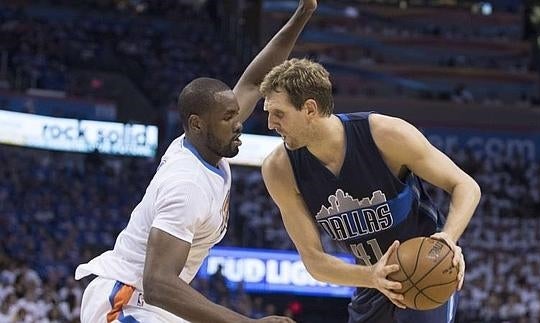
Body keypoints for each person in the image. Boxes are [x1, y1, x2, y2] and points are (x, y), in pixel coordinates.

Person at [74, 2, 317, 322]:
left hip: (151, 302)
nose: (239, 122)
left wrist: (302, 13)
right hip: (125, 299)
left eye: (235, 113)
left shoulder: (206, 145)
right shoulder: (186, 184)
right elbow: (159, 283)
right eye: (228, 117)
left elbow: (256, 80)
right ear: (198, 123)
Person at [259, 58, 481, 323]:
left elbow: (466, 185)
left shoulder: (385, 134)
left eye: (278, 113)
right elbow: (314, 261)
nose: (270, 124)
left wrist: (448, 237)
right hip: (369, 279)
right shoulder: (279, 170)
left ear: (309, 109)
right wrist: (372, 276)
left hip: (424, 266)